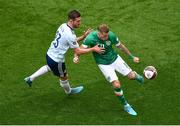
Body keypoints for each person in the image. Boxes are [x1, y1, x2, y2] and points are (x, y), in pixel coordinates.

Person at [24, 10, 104, 95]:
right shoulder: (69, 35)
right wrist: (93, 49)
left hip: (49, 54)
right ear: (71, 20)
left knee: (49, 67)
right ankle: (69, 91)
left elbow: (71, 41)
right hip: (57, 60)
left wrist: (84, 36)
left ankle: (30, 78)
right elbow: (78, 51)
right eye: (77, 21)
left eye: (80, 20)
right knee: (64, 77)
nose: (79, 23)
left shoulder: (63, 26)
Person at [74, 24, 144, 116]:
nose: (106, 37)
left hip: (115, 59)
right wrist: (77, 56)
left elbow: (121, 46)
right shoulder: (90, 38)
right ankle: (126, 105)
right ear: (99, 33)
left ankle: (136, 75)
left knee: (131, 77)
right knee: (116, 84)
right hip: (103, 64)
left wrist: (132, 57)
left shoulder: (111, 35)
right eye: (104, 36)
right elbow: (78, 50)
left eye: (107, 35)